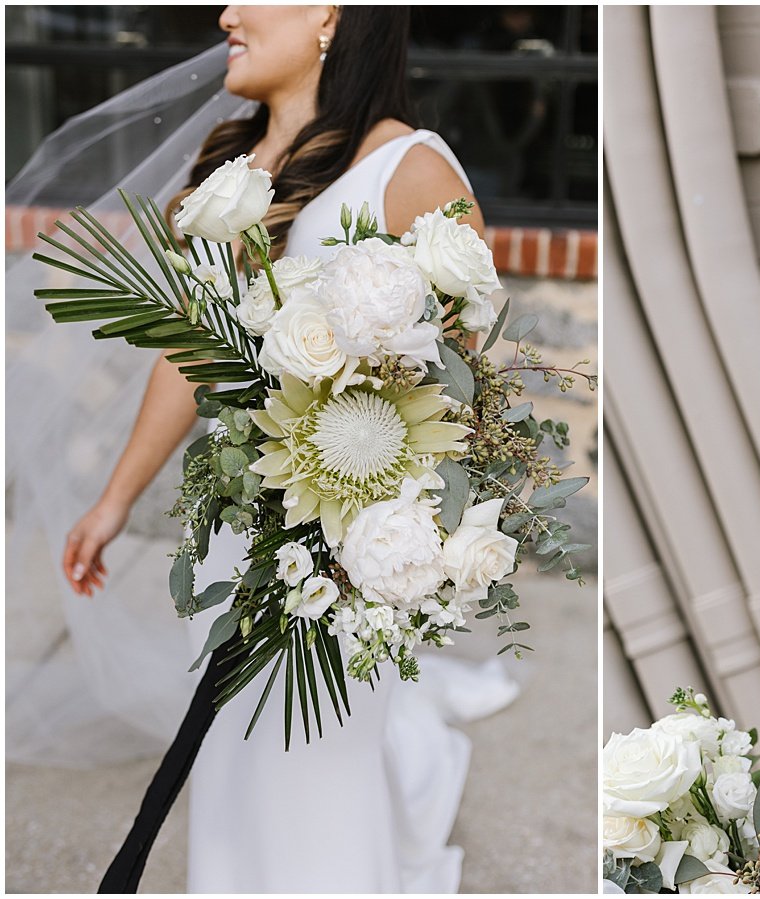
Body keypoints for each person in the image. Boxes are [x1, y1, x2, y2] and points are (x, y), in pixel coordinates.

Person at [49, 6, 516, 892]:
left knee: (315, 783)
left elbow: (470, 397)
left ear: (331, 15)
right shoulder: (232, 170)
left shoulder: (409, 170)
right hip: (236, 540)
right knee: (233, 773)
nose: (225, 12)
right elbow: (189, 360)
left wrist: (406, 538)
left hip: (347, 557)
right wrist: (112, 502)